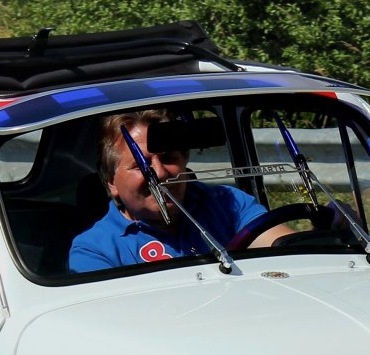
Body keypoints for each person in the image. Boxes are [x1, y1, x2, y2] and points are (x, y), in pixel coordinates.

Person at [68, 109, 293, 272]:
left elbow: (292, 252)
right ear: (111, 182)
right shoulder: (94, 250)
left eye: (168, 158)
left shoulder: (227, 203)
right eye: (141, 165)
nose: (160, 173)